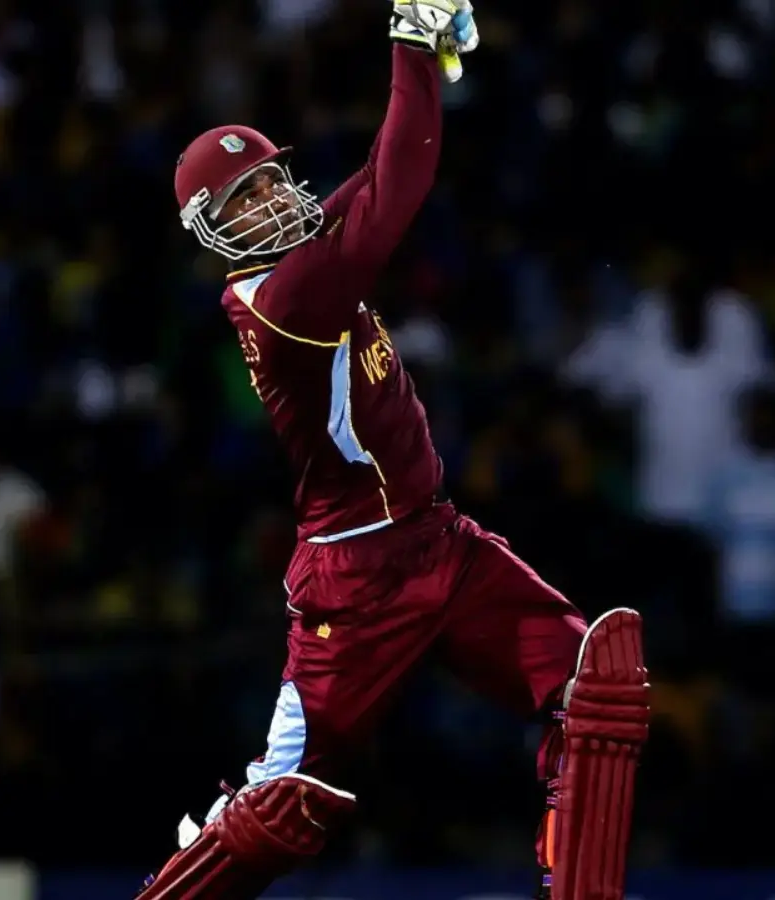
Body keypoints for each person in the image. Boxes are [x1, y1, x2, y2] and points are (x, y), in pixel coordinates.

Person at [142, 3, 650, 898]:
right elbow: (398, 183)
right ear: (213, 233)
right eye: (240, 201)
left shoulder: (308, 259)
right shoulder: (286, 299)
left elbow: (372, 181)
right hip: (358, 585)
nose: (266, 201)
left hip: (440, 545)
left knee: (595, 688)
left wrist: (422, 58)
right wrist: (411, 43)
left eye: (268, 181)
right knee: (281, 805)